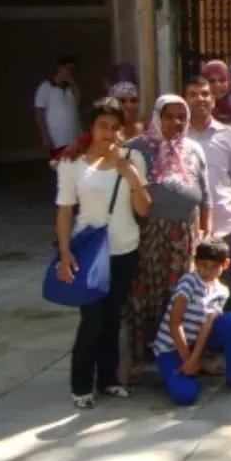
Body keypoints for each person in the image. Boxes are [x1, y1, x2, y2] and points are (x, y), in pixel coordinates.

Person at [56, 97, 151, 407]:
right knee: (92, 319)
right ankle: (81, 385)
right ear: (92, 129)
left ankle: (108, 378)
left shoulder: (132, 157)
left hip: (125, 248)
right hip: (90, 253)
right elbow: (65, 213)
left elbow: (144, 207)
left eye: (114, 126)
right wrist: (65, 252)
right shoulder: (73, 165)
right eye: (102, 126)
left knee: (113, 316)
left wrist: (131, 175)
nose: (108, 133)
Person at [124, 95, 211, 373]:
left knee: (178, 296)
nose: (175, 122)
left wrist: (204, 236)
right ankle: (141, 357)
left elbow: (205, 198)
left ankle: (174, 354)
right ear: (157, 117)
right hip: (149, 236)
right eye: (169, 116)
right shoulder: (136, 149)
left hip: (184, 238)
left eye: (181, 117)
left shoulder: (194, 149)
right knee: (144, 295)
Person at [153, 238, 231, 405]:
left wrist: (194, 358)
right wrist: (188, 359)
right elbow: (175, 323)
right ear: (196, 263)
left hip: (196, 342)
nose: (207, 271)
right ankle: (184, 371)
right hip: (172, 346)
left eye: (213, 267)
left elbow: (207, 325)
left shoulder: (222, 291)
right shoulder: (189, 282)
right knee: (185, 396)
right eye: (203, 265)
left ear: (225, 264)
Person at [186, 74, 231, 242]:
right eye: (193, 94)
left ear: (213, 100)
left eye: (205, 94)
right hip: (189, 229)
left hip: (227, 227)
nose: (200, 99)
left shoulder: (228, 135)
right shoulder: (178, 138)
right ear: (185, 102)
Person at [35, 55, 81, 160]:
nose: (69, 72)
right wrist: (45, 136)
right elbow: (39, 112)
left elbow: (77, 105)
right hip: (56, 137)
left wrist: (75, 87)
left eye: (72, 70)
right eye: (67, 69)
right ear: (59, 68)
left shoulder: (70, 89)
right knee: (60, 167)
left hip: (73, 136)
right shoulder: (46, 87)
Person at [202, 59, 231, 130]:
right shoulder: (197, 110)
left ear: (229, 83)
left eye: (222, 80)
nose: (217, 85)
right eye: (212, 81)